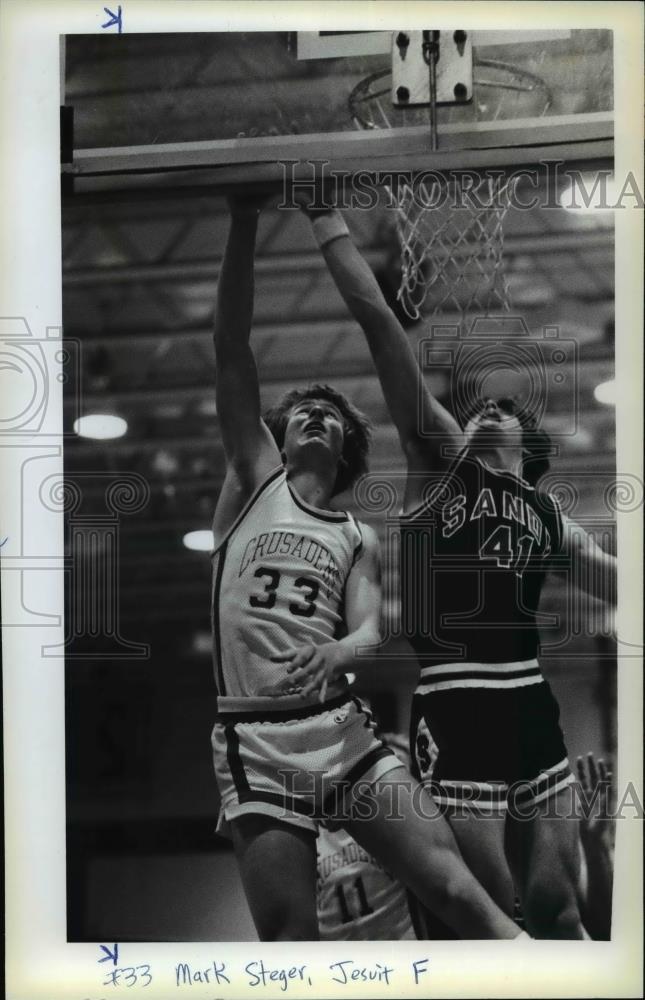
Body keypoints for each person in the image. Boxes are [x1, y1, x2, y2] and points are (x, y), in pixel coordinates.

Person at [209, 194, 529, 942]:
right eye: (302, 411)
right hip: (253, 733)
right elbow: (230, 348)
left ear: (349, 450)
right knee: (290, 942)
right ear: (279, 437)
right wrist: (243, 218)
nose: (313, 413)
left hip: (340, 724)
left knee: (460, 893)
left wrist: (338, 650)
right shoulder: (252, 480)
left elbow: (367, 633)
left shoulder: (357, 533)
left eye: (329, 413)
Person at [302, 200, 617, 940]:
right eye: (478, 409)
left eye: (500, 409)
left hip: (534, 709)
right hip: (457, 706)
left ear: (525, 442)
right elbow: (380, 323)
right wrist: (327, 223)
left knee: (557, 912)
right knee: (490, 919)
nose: (486, 409)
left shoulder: (550, 521)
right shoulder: (440, 465)